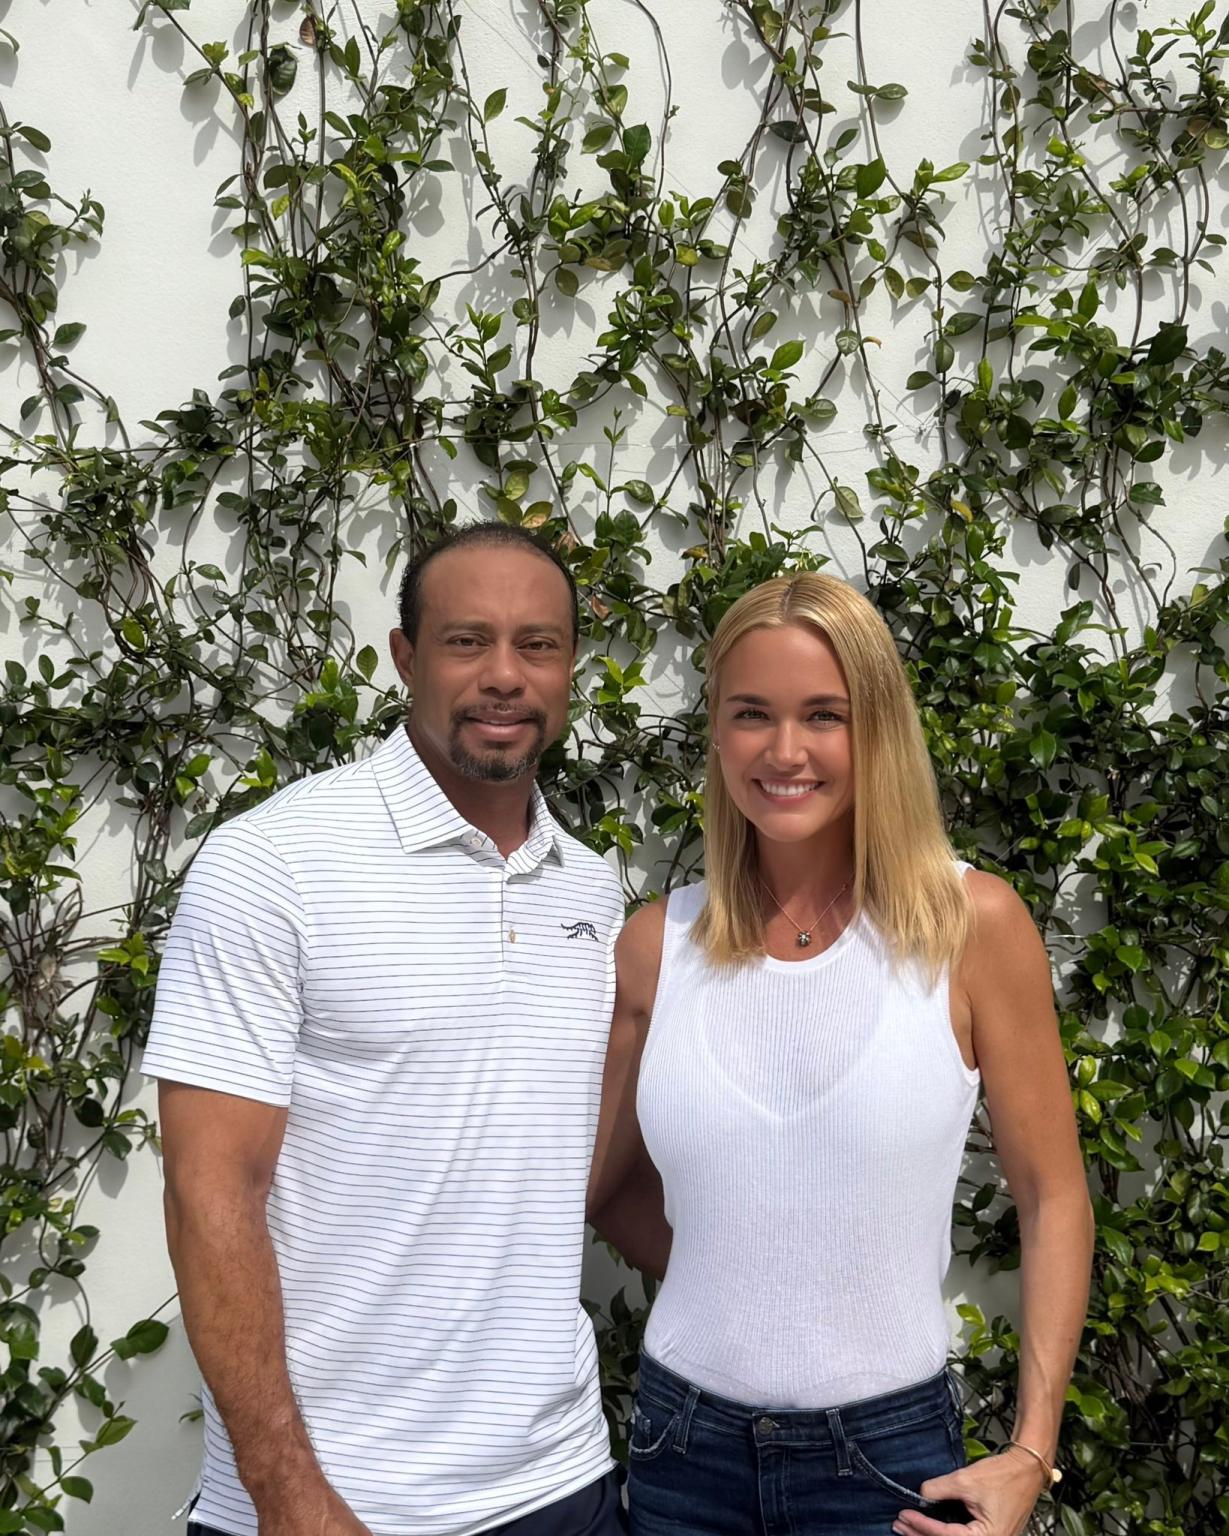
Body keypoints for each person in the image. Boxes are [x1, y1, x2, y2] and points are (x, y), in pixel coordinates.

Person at [144, 523, 629, 1536]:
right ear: (405, 657)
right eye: (467, 641)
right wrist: (288, 1494)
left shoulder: (590, 889)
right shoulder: (272, 864)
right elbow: (208, 1191)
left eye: (537, 645)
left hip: (560, 1486)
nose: (504, 675)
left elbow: (573, 1174)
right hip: (335, 1502)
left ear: (570, 668)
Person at [588, 573, 1095, 1536]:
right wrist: (750, 1271)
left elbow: (1051, 1195)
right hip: (682, 1455)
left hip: (889, 1464)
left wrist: (1032, 1449)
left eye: (824, 715)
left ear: (878, 731)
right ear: (716, 732)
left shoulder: (971, 926)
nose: (785, 751)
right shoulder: (657, 945)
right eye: (751, 713)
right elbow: (602, 1186)